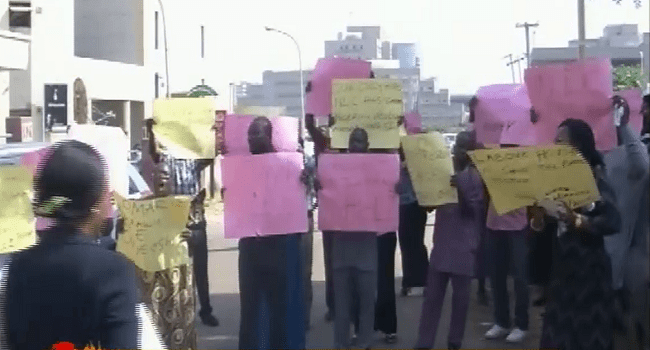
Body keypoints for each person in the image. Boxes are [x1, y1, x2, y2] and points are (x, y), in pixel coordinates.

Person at [0, 140, 163, 350]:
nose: (110, 198)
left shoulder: (18, 266)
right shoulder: (112, 270)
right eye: (106, 190)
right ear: (95, 203)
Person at [533, 118, 622, 350]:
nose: (554, 145)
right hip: (562, 276)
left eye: (560, 141)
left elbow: (613, 221)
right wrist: (538, 217)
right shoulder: (553, 178)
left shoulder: (596, 177)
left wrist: (579, 221)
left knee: (587, 339)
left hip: (590, 277)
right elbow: (548, 225)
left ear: (578, 146)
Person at [226, 116, 306, 350]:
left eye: (256, 134)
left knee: (283, 306)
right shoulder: (240, 167)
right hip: (252, 248)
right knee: (253, 307)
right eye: (249, 135)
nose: (251, 140)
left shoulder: (290, 165)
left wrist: (306, 181)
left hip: (282, 246)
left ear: (269, 137)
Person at [317, 127, 396, 350]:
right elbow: (321, 187)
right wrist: (318, 186)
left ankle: (364, 343)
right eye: (353, 140)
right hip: (341, 246)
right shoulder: (334, 167)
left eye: (360, 141)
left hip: (366, 246)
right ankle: (341, 343)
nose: (356, 145)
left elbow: (391, 193)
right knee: (342, 304)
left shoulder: (379, 170)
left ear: (367, 145)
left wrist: (395, 189)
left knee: (366, 302)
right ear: (347, 144)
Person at [145, 119, 220, 329]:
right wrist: (151, 131)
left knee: (200, 269)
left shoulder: (193, 159)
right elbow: (154, 153)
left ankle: (206, 311)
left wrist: (211, 134)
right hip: (172, 223)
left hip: (195, 221)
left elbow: (210, 156)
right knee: (173, 268)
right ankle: (175, 310)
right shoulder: (165, 158)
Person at [415, 131, 485, 350]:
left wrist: (461, 190)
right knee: (432, 299)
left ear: (472, 152)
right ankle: (424, 343)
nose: (459, 152)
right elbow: (429, 205)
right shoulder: (444, 171)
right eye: (457, 147)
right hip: (442, 245)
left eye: (465, 148)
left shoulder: (476, 177)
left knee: (461, 301)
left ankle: (454, 342)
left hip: (464, 247)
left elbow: (472, 212)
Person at [605, 96, 649, 350]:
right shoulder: (609, 157)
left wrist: (625, 126)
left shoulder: (635, 153)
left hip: (634, 251)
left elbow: (641, 165)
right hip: (608, 249)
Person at [483, 145, 530, 344]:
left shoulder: (525, 164)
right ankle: (501, 321)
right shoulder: (493, 161)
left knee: (520, 277)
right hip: (494, 224)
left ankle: (521, 324)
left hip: (518, 226)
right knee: (496, 275)